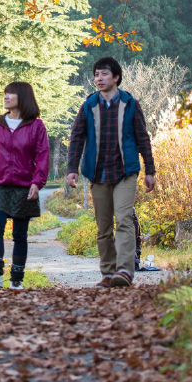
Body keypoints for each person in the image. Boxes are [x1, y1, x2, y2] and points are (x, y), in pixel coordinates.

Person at [66, 56, 156, 288]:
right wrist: (72, 168)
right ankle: (108, 273)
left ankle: (125, 271)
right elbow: (77, 137)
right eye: (96, 74)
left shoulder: (130, 103)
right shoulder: (89, 105)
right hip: (97, 174)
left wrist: (150, 169)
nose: (99, 78)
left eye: (104, 74)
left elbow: (142, 137)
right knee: (103, 226)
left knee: (124, 220)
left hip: (125, 172)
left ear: (116, 77)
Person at [0, 81, 50, 290]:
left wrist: (37, 182)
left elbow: (42, 156)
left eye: (11, 94)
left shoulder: (36, 126)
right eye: (5, 94)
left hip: (24, 185)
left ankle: (16, 279)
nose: (6, 97)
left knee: (19, 233)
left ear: (23, 97)